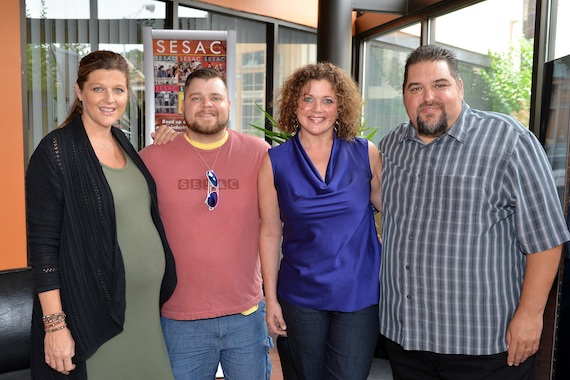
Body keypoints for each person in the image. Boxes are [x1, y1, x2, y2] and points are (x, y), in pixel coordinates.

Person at [378, 44, 570, 380]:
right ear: (404, 96)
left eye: (440, 84)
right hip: (407, 340)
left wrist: (530, 315)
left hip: (484, 346)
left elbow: (547, 238)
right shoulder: (391, 146)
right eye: (416, 88)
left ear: (460, 87)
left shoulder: (507, 140)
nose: (428, 97)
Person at [25, 50, 179, 379]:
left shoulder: (123, 142)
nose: (109, 99)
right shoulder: (55, 152)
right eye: (98, 89)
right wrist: (55, 327)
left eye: (119, 90)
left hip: (144, 314)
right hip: (95, 315)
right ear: (79, 92)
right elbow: (43, 247)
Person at [139, 67, 273, 379]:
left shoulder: (259, 153)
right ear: (183, 105)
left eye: (215, 97)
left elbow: (277, 223)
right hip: (179, 318)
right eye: (196, 98)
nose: (206, 104)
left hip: (246, 316)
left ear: (229, 104)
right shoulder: (152, 158)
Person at [259, 62, 383, 379]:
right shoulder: (274, 162)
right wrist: (270, 300)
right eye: (308, 98)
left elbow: (393, 213)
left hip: (359, 294)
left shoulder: (366, 153)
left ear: (340, 106)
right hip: (300, 297)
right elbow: (271, 233)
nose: (318, 109)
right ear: (294, 104)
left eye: (328, 100)